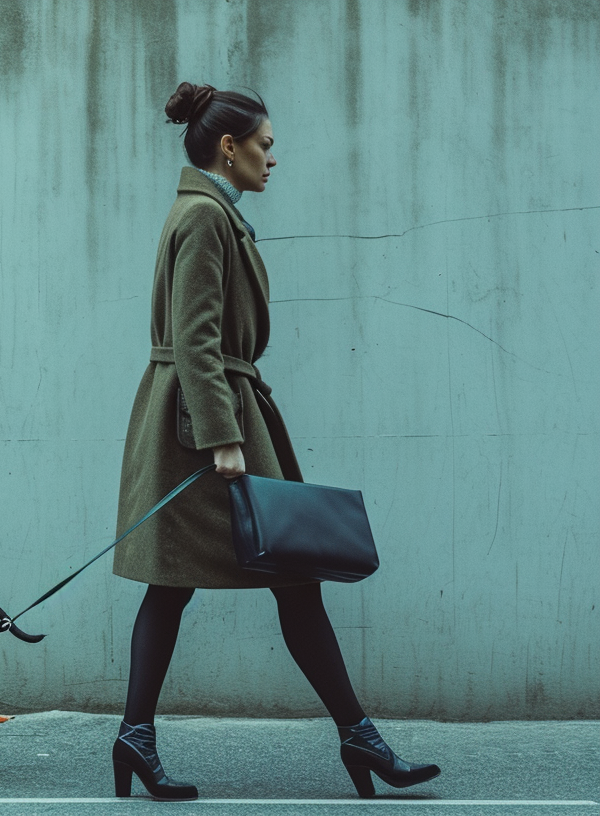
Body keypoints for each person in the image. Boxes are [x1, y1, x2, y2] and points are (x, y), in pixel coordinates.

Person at [107, 82, 441, 801]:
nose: (273, 158)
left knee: (256, 580)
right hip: (203, 425)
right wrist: (223, 439)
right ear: (229, 148)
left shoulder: (209, 213)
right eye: (264, 144)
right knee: (252, 579)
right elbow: (196, 341)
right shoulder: (202, 218)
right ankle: (356, 737)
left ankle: (350, 736)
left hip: (209, 413)